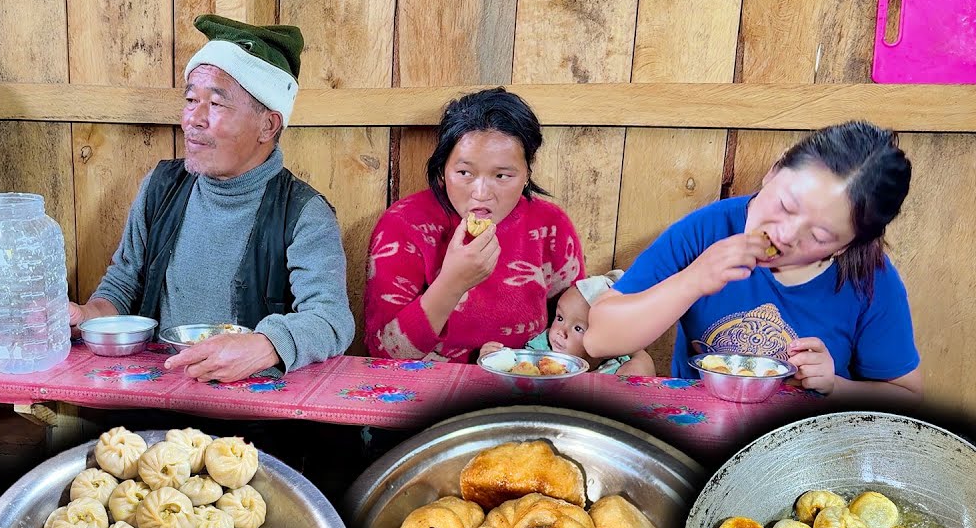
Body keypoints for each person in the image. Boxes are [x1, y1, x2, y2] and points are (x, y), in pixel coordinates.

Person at [70, 15, 354, 383]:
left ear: (268, 125)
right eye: (190, 99)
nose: (194, 119)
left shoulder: (302, 213)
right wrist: (86, 316)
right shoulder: (161, 187)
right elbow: (122, 287)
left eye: (216, 105)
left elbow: (330, 318)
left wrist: (266, 344)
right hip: (157, 395)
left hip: (253, 413)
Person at [585, 121, 921, 402]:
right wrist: (693, 281)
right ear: (773, 172)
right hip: (697, 427)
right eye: (787, 205)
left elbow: (907, 396)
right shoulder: (707, 230)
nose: (786, 234)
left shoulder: (871, 280)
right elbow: (600, 339)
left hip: (806, 446)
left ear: (845, 247)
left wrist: (835, 385)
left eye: (819, 237)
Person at [363, 88, 585, 362]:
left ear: (527, 173)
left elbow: (578, 331)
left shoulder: (551, 226)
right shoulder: (402, 225)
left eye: (502, 175)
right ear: (443, 168)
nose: (481, 193)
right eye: (464, 173)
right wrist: (452, 284)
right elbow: (382, 353)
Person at [478, 270, 655, 376]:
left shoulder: (616, 364)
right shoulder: (541, 351)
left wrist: (638, 369)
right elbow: (515, 371)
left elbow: (643, 371)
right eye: (560, 318)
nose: (560, 332)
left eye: (578, 328)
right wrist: (494, 359)